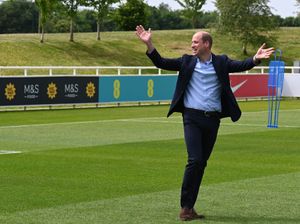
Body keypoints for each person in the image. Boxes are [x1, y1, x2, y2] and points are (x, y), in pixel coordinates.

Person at [135, 25, 274, 221]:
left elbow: (241, 65)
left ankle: (190, 208)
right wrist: (148, 43)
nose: (192, 45)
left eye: (195, 42)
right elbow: (161, 62)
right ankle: (184, 207)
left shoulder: (221, 62)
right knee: (195, 160)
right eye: (192, 42)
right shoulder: (186, 62)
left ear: (206, 44)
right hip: (192, 118)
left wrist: (255, 58)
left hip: (213, 120)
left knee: (201, 164)